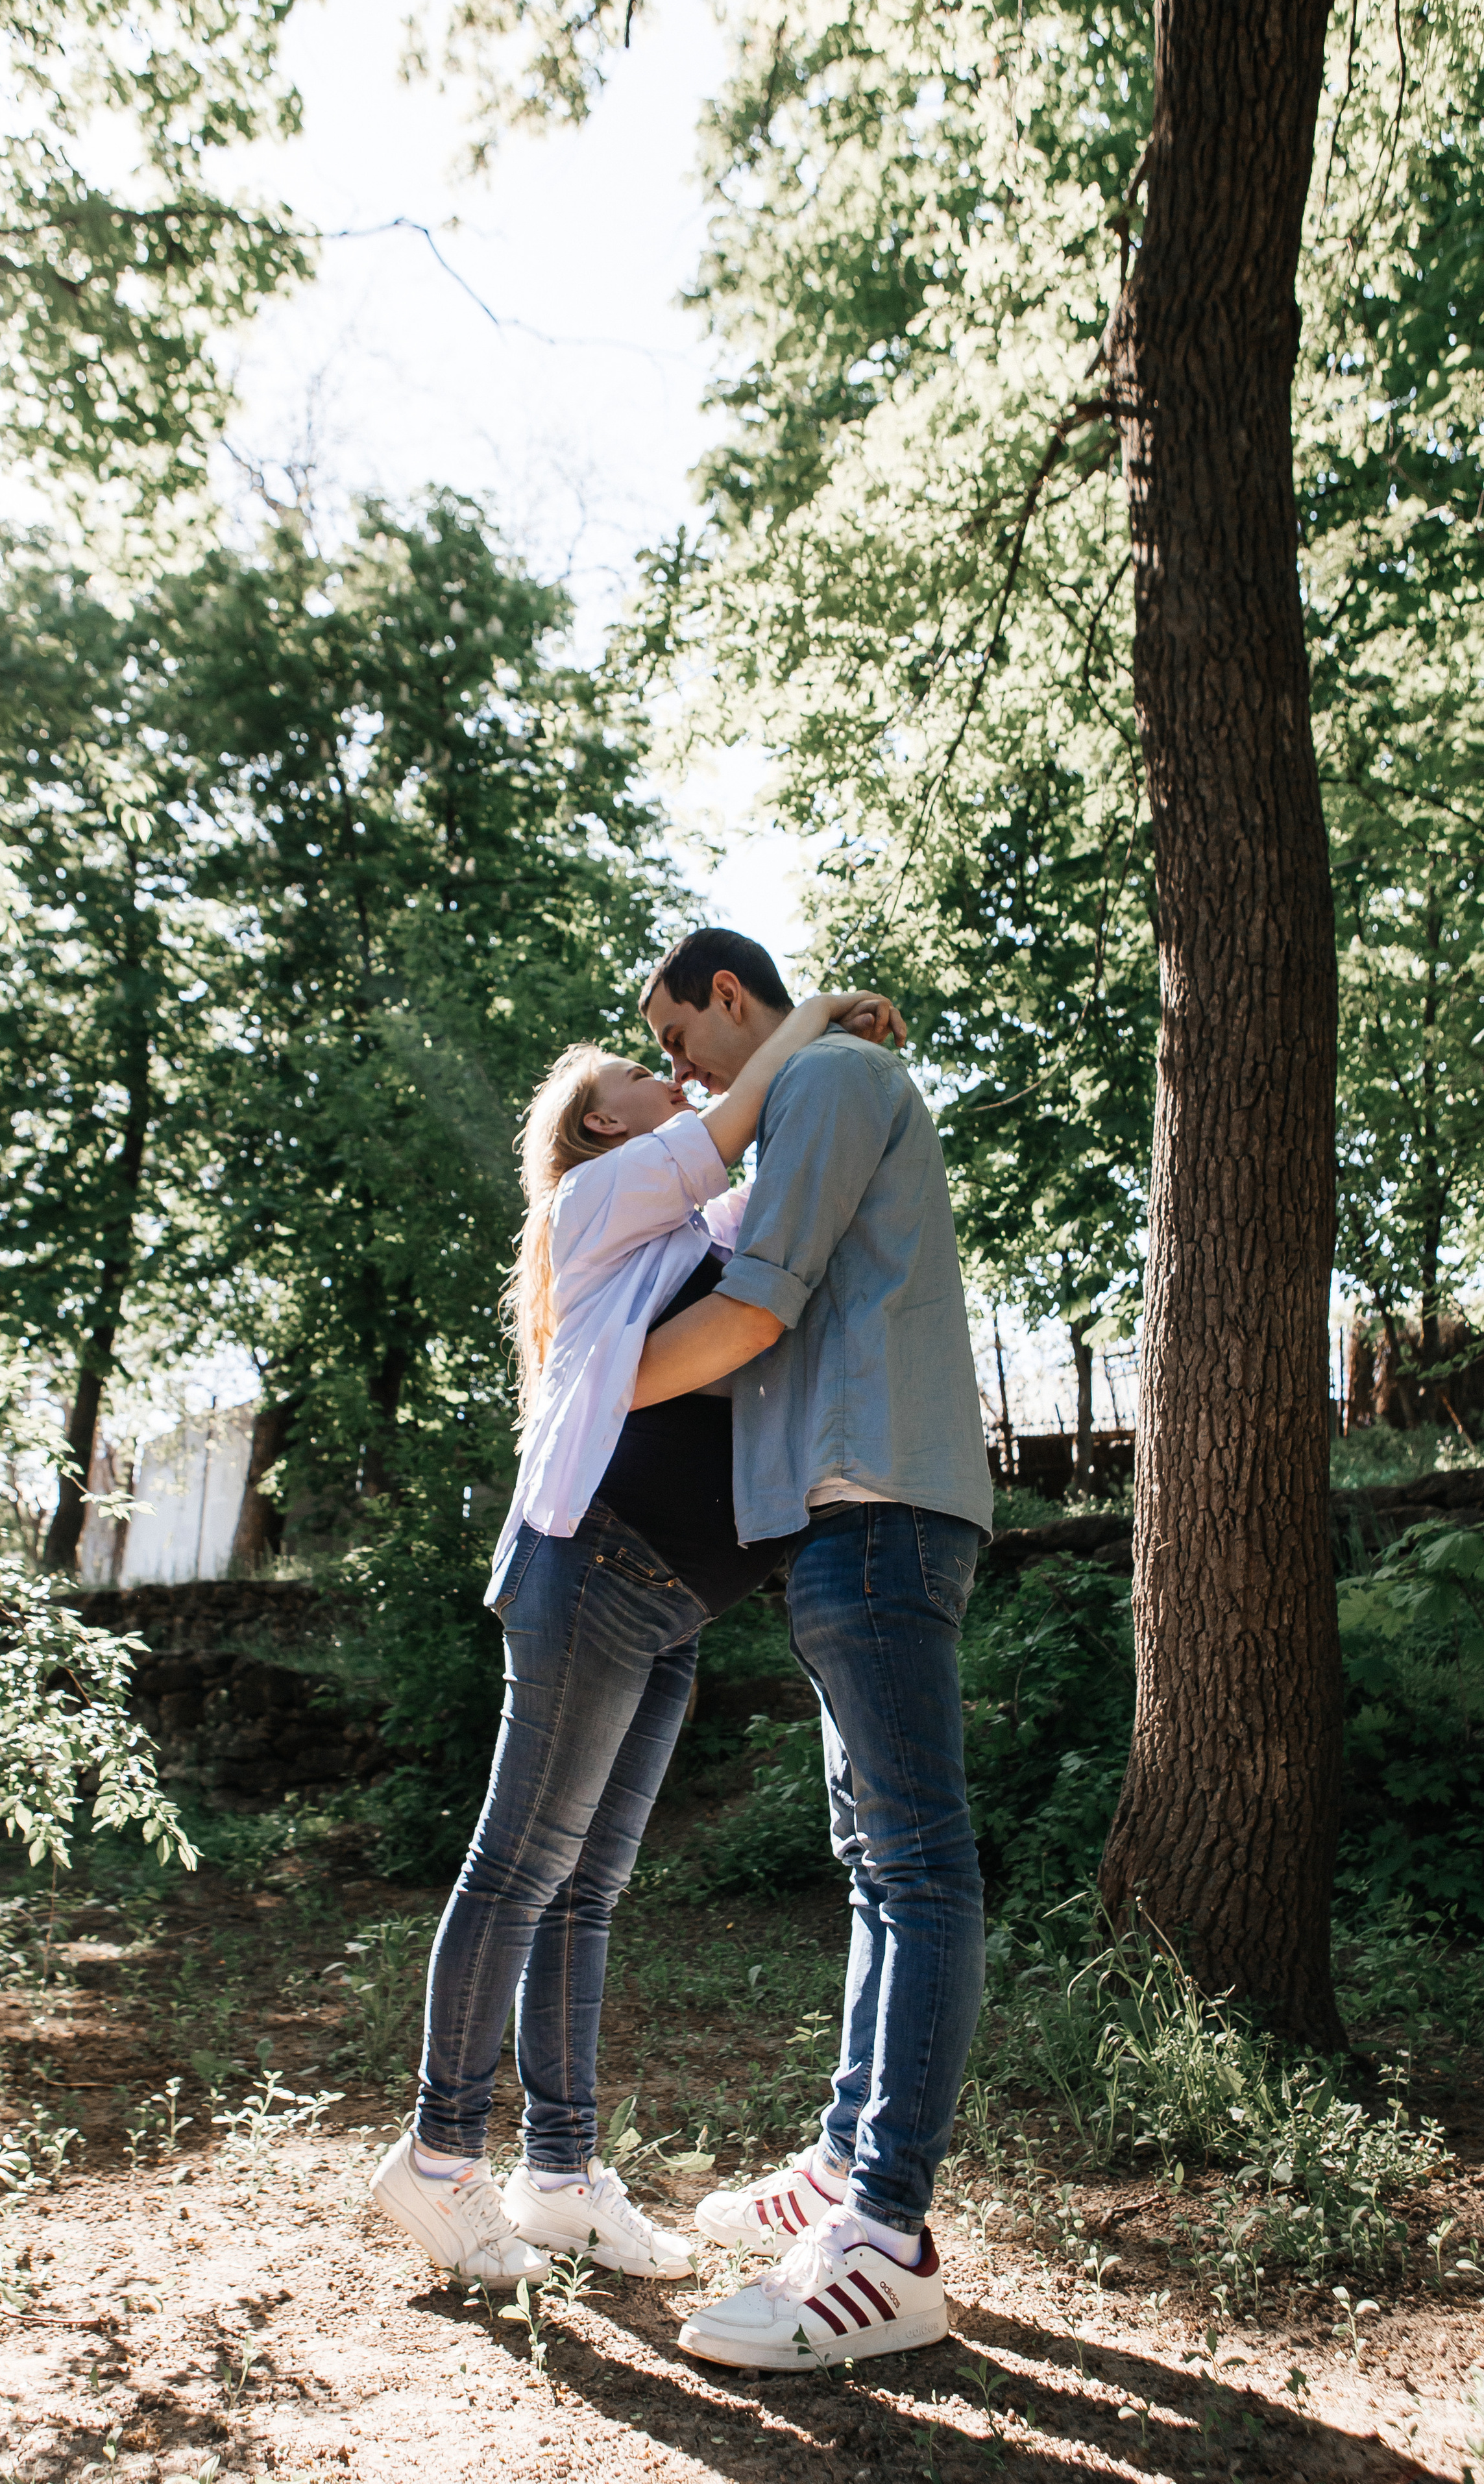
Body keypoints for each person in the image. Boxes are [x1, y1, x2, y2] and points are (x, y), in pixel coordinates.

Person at [369, 981, 905, 2291]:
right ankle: (437, 2160)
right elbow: (730, 1125)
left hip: (667, 1600)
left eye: (673, 1063)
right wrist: (818, 1014)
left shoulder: (682, 1220)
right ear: (601, 1136)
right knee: (516, 1869)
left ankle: (559, 2176)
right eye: (647, 1079)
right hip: (592, 1565)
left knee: (584, 1889)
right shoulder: (591, 1202)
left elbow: (776, 1195)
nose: (676, 1083)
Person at [631, 927, 994, 2374]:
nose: (677, 1076)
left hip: (877, 1505)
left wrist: (581, 1381)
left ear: (731, 999)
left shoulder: (831, 1078)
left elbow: (756, 1306)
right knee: (872, 1862)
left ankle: (888, 2239)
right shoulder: (807, 1087)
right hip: (835, 1518)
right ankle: (849, 2161)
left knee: (915, 1863)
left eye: (677, 1042)